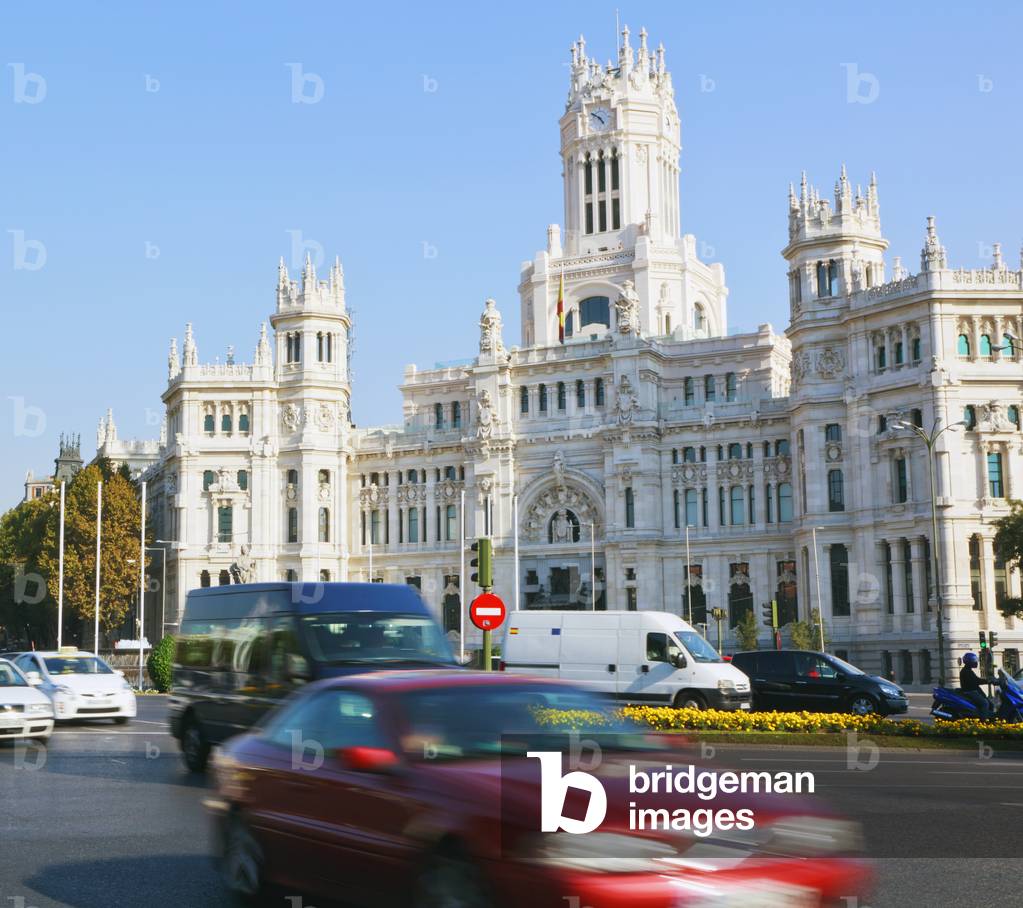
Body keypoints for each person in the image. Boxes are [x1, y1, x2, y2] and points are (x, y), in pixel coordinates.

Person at [958, 651, 996, 719]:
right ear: (969, 662)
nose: (976, 662)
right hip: (970, 692)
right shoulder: (966, 671)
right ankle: (983, 721)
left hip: (974, 691)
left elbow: (976, 680)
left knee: (990, 704)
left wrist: (988, 680)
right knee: (985, 703)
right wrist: (988, 681)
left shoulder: (968, 670)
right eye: (974, 661)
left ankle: (990, 718)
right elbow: (976, 681)